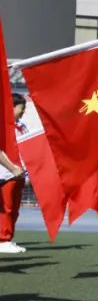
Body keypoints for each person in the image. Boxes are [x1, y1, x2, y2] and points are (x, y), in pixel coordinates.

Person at [0, 93, 28, 254]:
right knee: (6, 208)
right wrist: (12, 168)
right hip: (6, 174)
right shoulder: (3, 127)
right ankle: (2, 239)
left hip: (20, 174)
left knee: (15, 210)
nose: (23, 111)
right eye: (21, 108)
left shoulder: (22, 127)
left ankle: (8, 238)